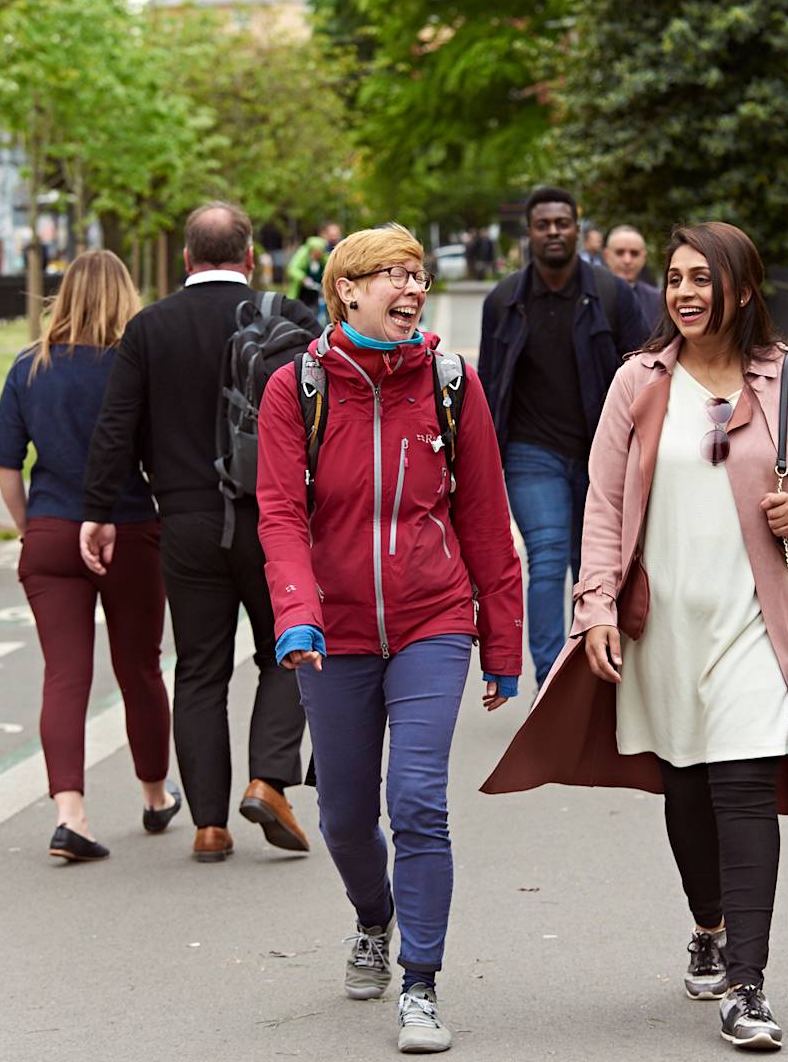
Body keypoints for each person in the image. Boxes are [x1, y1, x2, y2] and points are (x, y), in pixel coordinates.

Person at [483, 222, 788, 1052]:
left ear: (743, 290)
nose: (684, 293)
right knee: (687, 793)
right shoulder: (639, 383)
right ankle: (710, 925)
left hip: (754, 629)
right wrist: (596, 610)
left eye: (702, 279)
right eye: (676, 279)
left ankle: (749, 987)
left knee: (746, 792)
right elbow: (605, 506)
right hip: (662, 631)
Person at [256, 224, 523, 1054]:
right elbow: (280, 513)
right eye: (395, 277)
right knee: (341, 816)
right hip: (331, 631)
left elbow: (482, 514)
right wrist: (296, 607)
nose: (413, 289)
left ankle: (420, 982)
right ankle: (373, 918)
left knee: (415, 801)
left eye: (418, 275)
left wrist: (503, 640)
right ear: (348, 290)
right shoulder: (294, 389)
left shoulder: (450, 381)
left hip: (430, 620)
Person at [79, 201, 316, 863]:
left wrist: (99, 511)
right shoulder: (290, 319)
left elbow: (115, 428)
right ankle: (268, 778)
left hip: (184, 518)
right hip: (274, 520)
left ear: (186, 259)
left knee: (201, 670)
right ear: (249, 258)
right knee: (287, 649)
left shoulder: (149, 327)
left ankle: (210, 825)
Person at [0, 250, 179, 862]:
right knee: (140, 669)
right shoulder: (137, 367)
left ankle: (71, 814)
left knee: (64, 675)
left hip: (50, 530)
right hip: (128, 530)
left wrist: (30, 526)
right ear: (126, 297)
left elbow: (5, 464)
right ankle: (154, 795)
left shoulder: (29, 366)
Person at [478, 186, 650, 687]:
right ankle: (552, 683)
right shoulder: (504, 301)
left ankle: (601, 674)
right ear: (529, 233)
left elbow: (647, 374)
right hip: (531, 454)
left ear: (577, 228)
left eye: (562, 223)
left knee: (596, 567)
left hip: (603, 455)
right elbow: (489, 389)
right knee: (549, 557)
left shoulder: (611, 295)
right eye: (543, 224)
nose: (553, 231)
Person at [605, 224, 662, 327]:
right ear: (606, 256)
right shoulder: (589, 297)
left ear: (644, 257)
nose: (627, 260)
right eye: (620, 253)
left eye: (634, 253)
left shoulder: (658, 301)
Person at [287, 236, 328, 312]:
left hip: (316, 294)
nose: (318, 255)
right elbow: (292, 269)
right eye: (316, 252)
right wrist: (303, 278)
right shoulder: (303, 257)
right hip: (302, 293)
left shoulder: (323, 259)